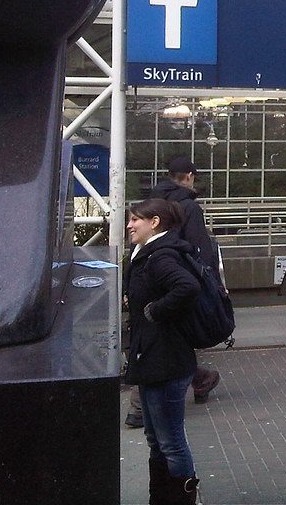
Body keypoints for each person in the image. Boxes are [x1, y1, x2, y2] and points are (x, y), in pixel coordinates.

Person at [127, 157, 221, 428]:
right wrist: (210, 281)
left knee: (156, 338)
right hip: (173, 277)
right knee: (159, 340)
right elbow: (198, 246)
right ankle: (140, 407)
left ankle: (198, 380)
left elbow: (135, 241)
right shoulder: (188, 206)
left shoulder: (151, 201)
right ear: (190, 176)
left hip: (145, 275)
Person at [124, 199, 203, 505]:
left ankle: (181, 500)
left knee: (170, 442)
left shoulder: (161, 256)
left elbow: (187, 287)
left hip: (165, 359)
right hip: (153, 357)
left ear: (154, 222)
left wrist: (155, 310)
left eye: (135, 220)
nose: (130, 225)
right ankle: (161, 498)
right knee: (156, 439)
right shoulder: (150, 254)